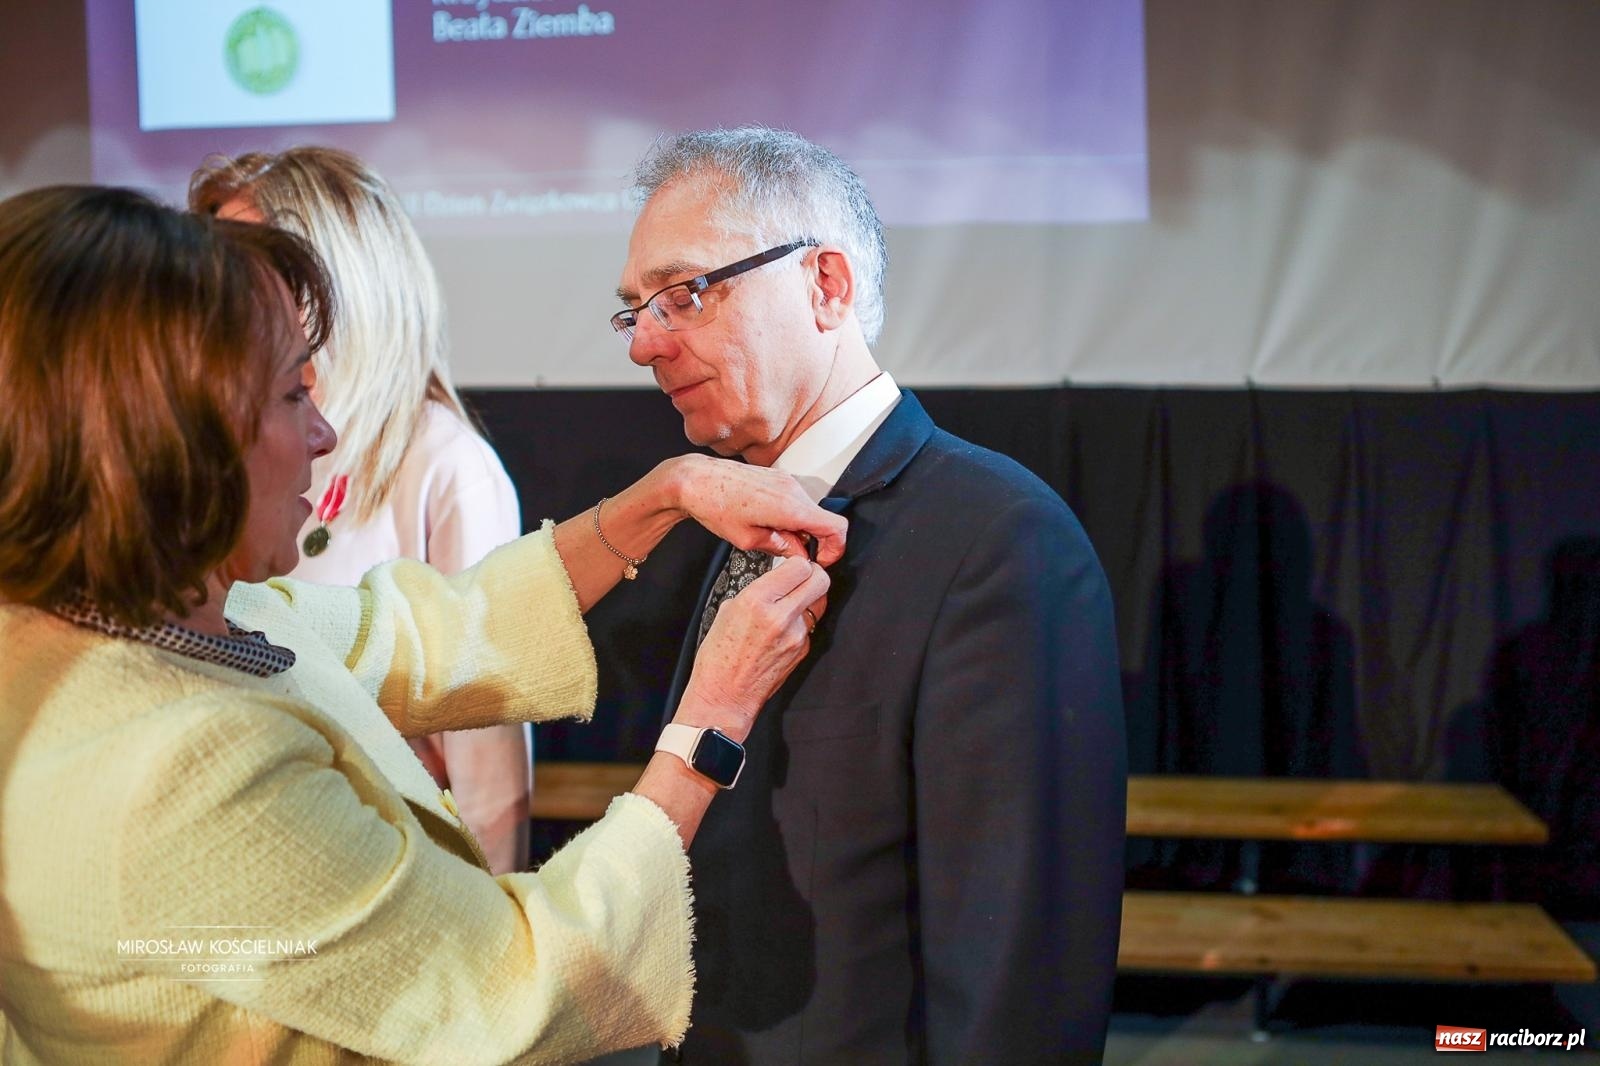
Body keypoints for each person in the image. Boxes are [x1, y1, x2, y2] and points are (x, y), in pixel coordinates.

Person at [0, 185, 842, 1064]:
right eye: (294, 396)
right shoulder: (178, 774)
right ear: (167, 439)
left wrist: (666, 494)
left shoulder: (145, 621)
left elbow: (424, 630)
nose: (325, 434)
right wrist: (710, 726)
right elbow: (512, 988)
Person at [612, 128, 1126, 1064]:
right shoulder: (735, 520)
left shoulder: (1000, 540)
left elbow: (1021, 958)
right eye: (635, 311)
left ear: (826, 286)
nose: (646, 341)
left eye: (683, 293)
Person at [189, 147, 531, 874]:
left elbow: (488, 776)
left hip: (386, 883)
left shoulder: (444, 465)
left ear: (339, 276)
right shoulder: (209, 446)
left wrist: (493, 960)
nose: (213, 293)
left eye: (249, 264)